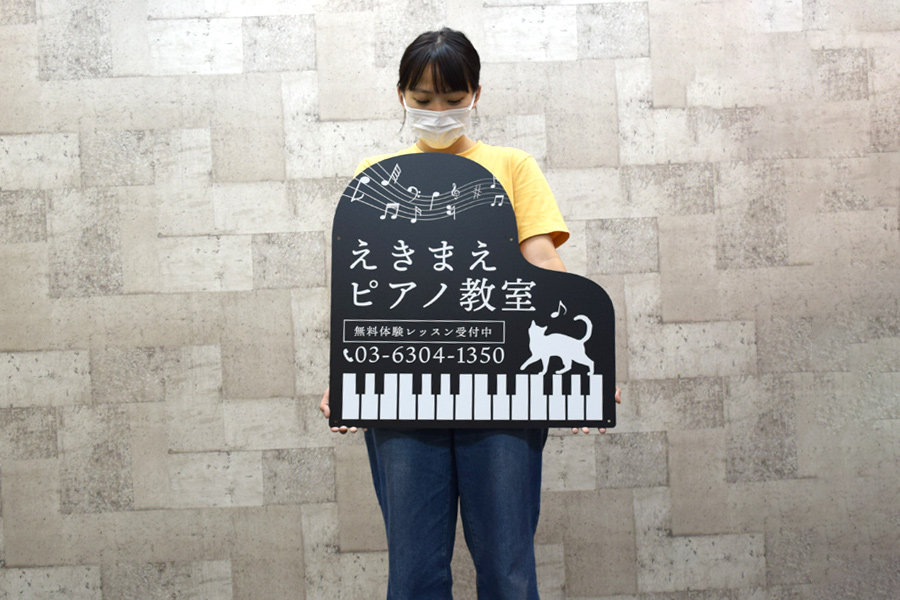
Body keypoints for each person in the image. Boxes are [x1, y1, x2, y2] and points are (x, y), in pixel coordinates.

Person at [319, 28, 621, 599]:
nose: (438, 112)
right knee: (413, 573)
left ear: (476, 95)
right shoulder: (377, 174)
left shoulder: (513, 165)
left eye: (453, 99)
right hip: (404, 389)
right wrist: (347, 375)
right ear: (401, 95)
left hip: (503, 389)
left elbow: (543, 262)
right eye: (423, 99)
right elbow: (365, 286)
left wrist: (592, 371)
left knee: (508, 567)